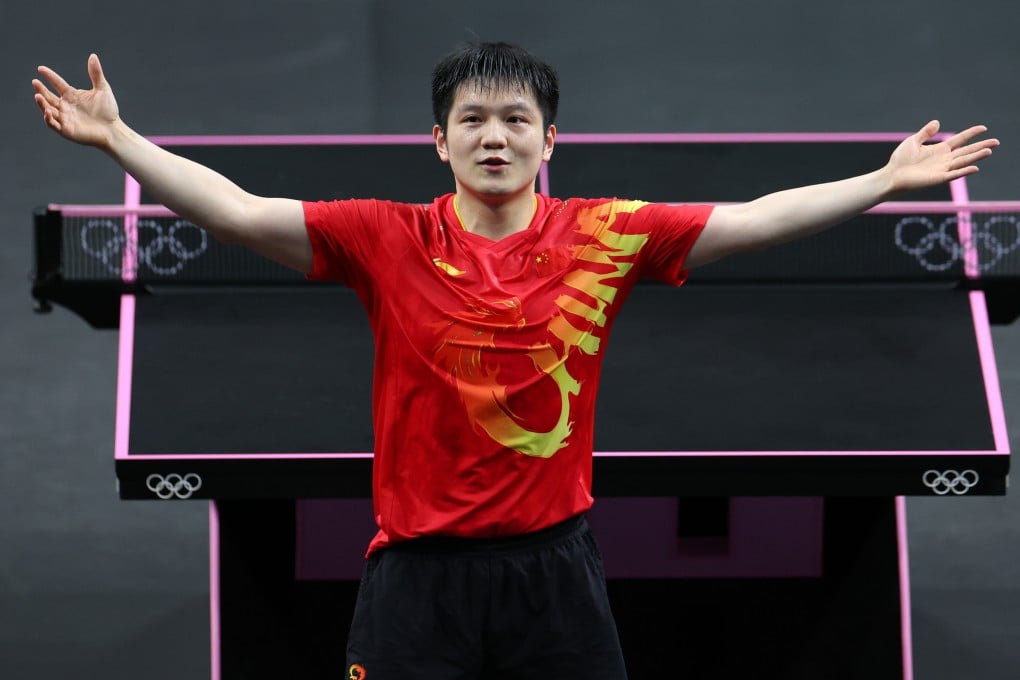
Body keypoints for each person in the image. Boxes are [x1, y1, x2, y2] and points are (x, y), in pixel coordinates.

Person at [33, 42, 997, 680]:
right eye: (473, 120)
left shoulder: (609, 234)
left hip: (555, 571)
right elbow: (237, 213)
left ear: (547, 140)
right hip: (416, 578)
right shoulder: (384, 236)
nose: (495, 135)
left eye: (516, 120)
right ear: (440, 139)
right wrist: (120, 139)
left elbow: (755, 220)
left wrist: (884, 180)